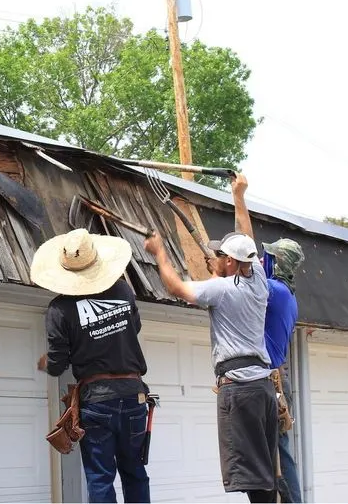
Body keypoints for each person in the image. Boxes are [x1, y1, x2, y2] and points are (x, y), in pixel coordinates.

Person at [144, 173, 279, 504]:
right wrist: (239, 196)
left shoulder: (221, 289)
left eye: (220, 255)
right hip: (262, 389)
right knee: (264, 473)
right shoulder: (259, 279)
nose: (215, 258)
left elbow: (177, 288)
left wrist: (159, 253)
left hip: (240, 391)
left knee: (251, 476)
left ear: (230, 261)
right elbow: (246, 237)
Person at [33, 228, 151, 503]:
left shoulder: (60, 309)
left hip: (97, 402)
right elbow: (134, 328)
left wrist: (45, 362)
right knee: (135, 473)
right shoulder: (123, 290)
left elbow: (57, 365)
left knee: (100, 478)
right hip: (133, 395)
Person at [261, 238, 305, 503]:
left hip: (273, 380)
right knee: (274, 452)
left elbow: (243, 282)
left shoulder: (274, 291)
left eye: (268, 256)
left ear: (277, 263)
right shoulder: (285, 292)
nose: (262, 260)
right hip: (276, 377)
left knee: (280, 454)